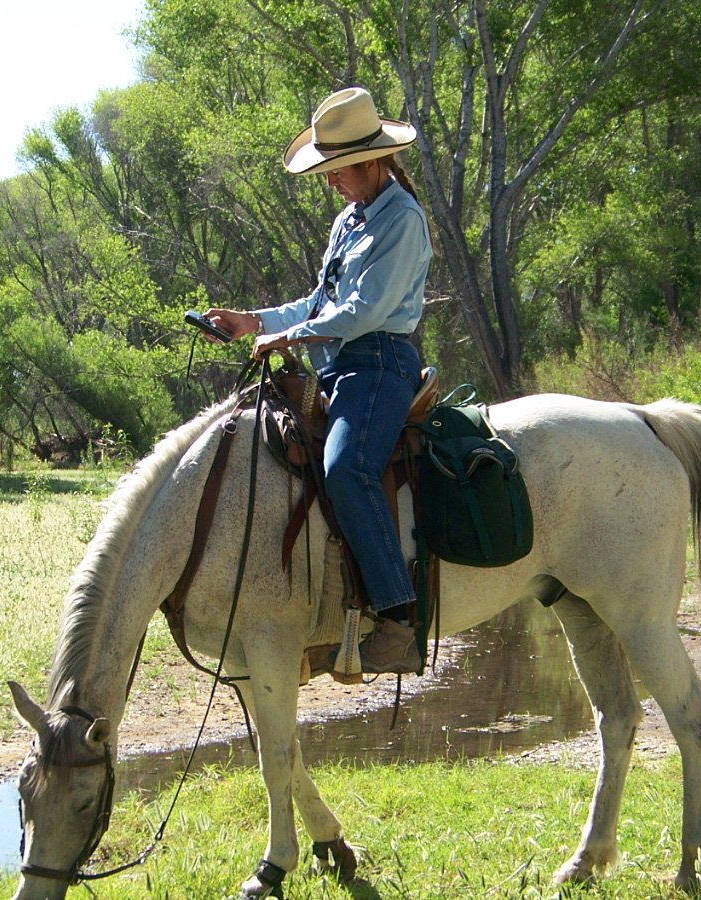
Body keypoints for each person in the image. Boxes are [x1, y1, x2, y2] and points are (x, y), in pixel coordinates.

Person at [206, 86, 432, 675]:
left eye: (336, 170)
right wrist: (255, 321)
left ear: (369, 162)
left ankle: (398, 619)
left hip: (380, 363)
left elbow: (365, 309)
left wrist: (290, 338)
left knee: (345, 469)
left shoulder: (402, 220)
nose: (330, 181)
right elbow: (319, 300)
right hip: (340, 364)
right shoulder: (349, 219)